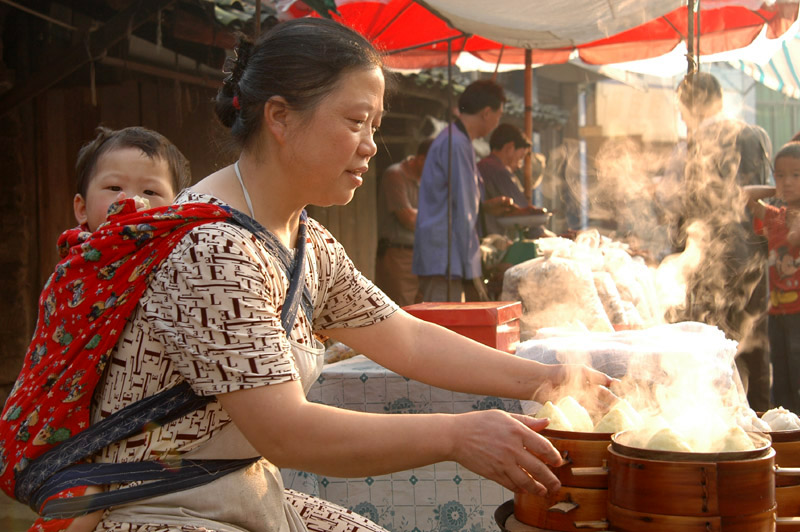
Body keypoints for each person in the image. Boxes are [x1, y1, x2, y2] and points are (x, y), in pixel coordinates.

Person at [0, 19, 615, 532]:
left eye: (374, 125)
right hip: (154, 506)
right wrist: (459, 435)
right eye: (355, 121)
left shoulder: (306, 241)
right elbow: (288, 432)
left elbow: (401, 336)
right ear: (280, 116)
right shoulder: (211, 249)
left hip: (241, 495)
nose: (371, 145)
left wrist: (550, 379)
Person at [20, 125, 191, 532]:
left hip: (149, 429)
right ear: (81, 208)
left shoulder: (181, 260)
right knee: (85, 503)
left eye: (151, 192)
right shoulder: (73, 271)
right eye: (113, 187)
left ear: (176, 205)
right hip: (73, 431)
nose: (131, 200)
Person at [664, 71, 773, 411]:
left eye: (682, 107)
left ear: (691, 103)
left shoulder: (692, 146)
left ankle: (725, 419)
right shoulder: (755, 134)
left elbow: (673, 202)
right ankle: (763, 418)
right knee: (756, 344)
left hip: (712, 260)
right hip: (754, 254)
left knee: (716, 346)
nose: (681, 116)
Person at [413, 80, 516, 302]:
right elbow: (464, 207)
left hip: (447, 252)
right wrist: (474, 268)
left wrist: (487, 206)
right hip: (445, 254)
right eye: (499, 115)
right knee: (443, 324)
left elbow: (461, 199)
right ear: (487, 113)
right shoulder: (456, 142)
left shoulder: (460, 140)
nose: (498, 121)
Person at [744, 141, 800, 413]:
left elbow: (793, 237)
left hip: (799, 316)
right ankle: (789, 439)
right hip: (777, 313)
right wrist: (775, 189)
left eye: (796, 175)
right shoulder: (776, 217)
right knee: (783, 383)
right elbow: (745, 196)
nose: (787, 182)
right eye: (780, 174)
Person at [375, 137, 433, 306]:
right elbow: (409, 219)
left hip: (421, 255)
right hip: (399, 254)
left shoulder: (427, 180)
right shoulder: (395, 175)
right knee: (401, 308)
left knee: (423, 310)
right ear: (421, 159)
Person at [478, 123, 546, 236]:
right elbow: (526, 216)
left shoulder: (483, 165)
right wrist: (558, 239)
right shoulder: (499, 171)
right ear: (509, 148)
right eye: (520, 158)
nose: (519, 166)